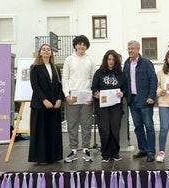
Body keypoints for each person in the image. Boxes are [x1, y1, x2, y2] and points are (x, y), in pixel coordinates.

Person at [62, 35, 96, 163]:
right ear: (75, 45)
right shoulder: (69, 60)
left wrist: (92, 95)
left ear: (86, 46)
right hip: (73, 96)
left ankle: (86, 149)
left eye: (84, 44)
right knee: (72, 124)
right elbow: (65, 78)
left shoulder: (91, 60)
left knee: (87, 124)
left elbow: (94, 78)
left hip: (87, 97)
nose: (81, 46)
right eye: (79, 44)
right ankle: (74, 150)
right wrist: (66, 95)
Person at [28, 44, 64, 164]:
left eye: (48, 49)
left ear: (51, 53)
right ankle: (41, 158)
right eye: (44, 49)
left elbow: (59, 85)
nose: (46, 51)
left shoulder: (55, 68)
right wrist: (44, 100)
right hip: (40, 105)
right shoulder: (34, 67)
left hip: (54, 105)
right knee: (41, 132)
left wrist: (59, 99)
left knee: (52, 131)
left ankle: (53, 157)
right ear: (40, 53)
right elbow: (35, 86)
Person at [123, 40, 157, 162]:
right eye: (128, 48)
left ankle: (151, 151)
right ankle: (143, 149)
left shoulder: (146, 63)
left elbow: (153, 79)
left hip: (145, 100)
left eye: (132, 48)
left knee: (149, 126)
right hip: (133, 100)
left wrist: (151, 96)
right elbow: (125, 82)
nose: (130, 50)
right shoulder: (127, 63)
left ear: (138, 49)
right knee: (138, 127)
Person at [91, 49, 126, 162]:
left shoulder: (120, 74)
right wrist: (96, 93)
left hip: (116, 105)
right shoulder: (99, 72)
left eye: (113, 59)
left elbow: (126, 88)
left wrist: (123, 93)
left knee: (115, 129)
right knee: (105, 129)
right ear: (106, 60)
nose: (111, 61)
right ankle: (105, 154)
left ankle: (115, 153)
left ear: (116, 61)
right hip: (102, 106)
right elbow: (94, 87)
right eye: (109, 59)